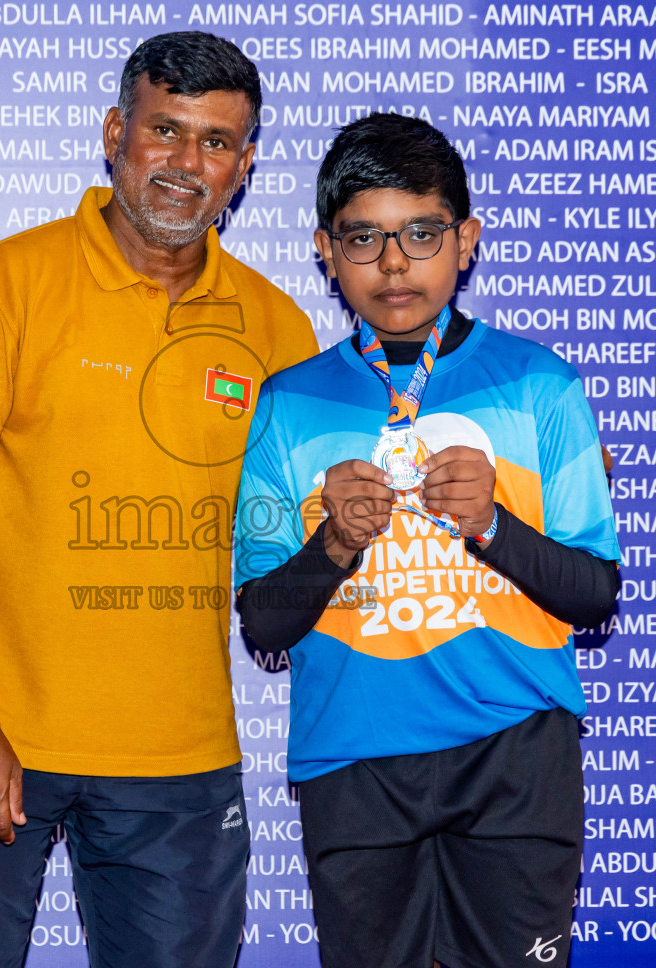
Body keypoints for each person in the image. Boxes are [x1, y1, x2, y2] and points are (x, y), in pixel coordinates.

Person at [0, 31, 318, 968]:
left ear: (244, 167)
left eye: (214, 143)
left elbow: (302, 541)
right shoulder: (1, 285)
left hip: (181, 759)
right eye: (165, 131)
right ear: (117, 132)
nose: (184, 164)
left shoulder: (279, 328)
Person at [233, 113, 621, 968]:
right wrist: (333, 543)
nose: (395, 263)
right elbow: (263, 623)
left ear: (466, 240)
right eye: (364, 237)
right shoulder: (288, 405)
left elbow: (595, 594)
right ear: (325, 251)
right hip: (355, 757)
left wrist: (490, 525)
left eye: (421, 232)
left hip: (516, 752)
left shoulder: (539, 384)